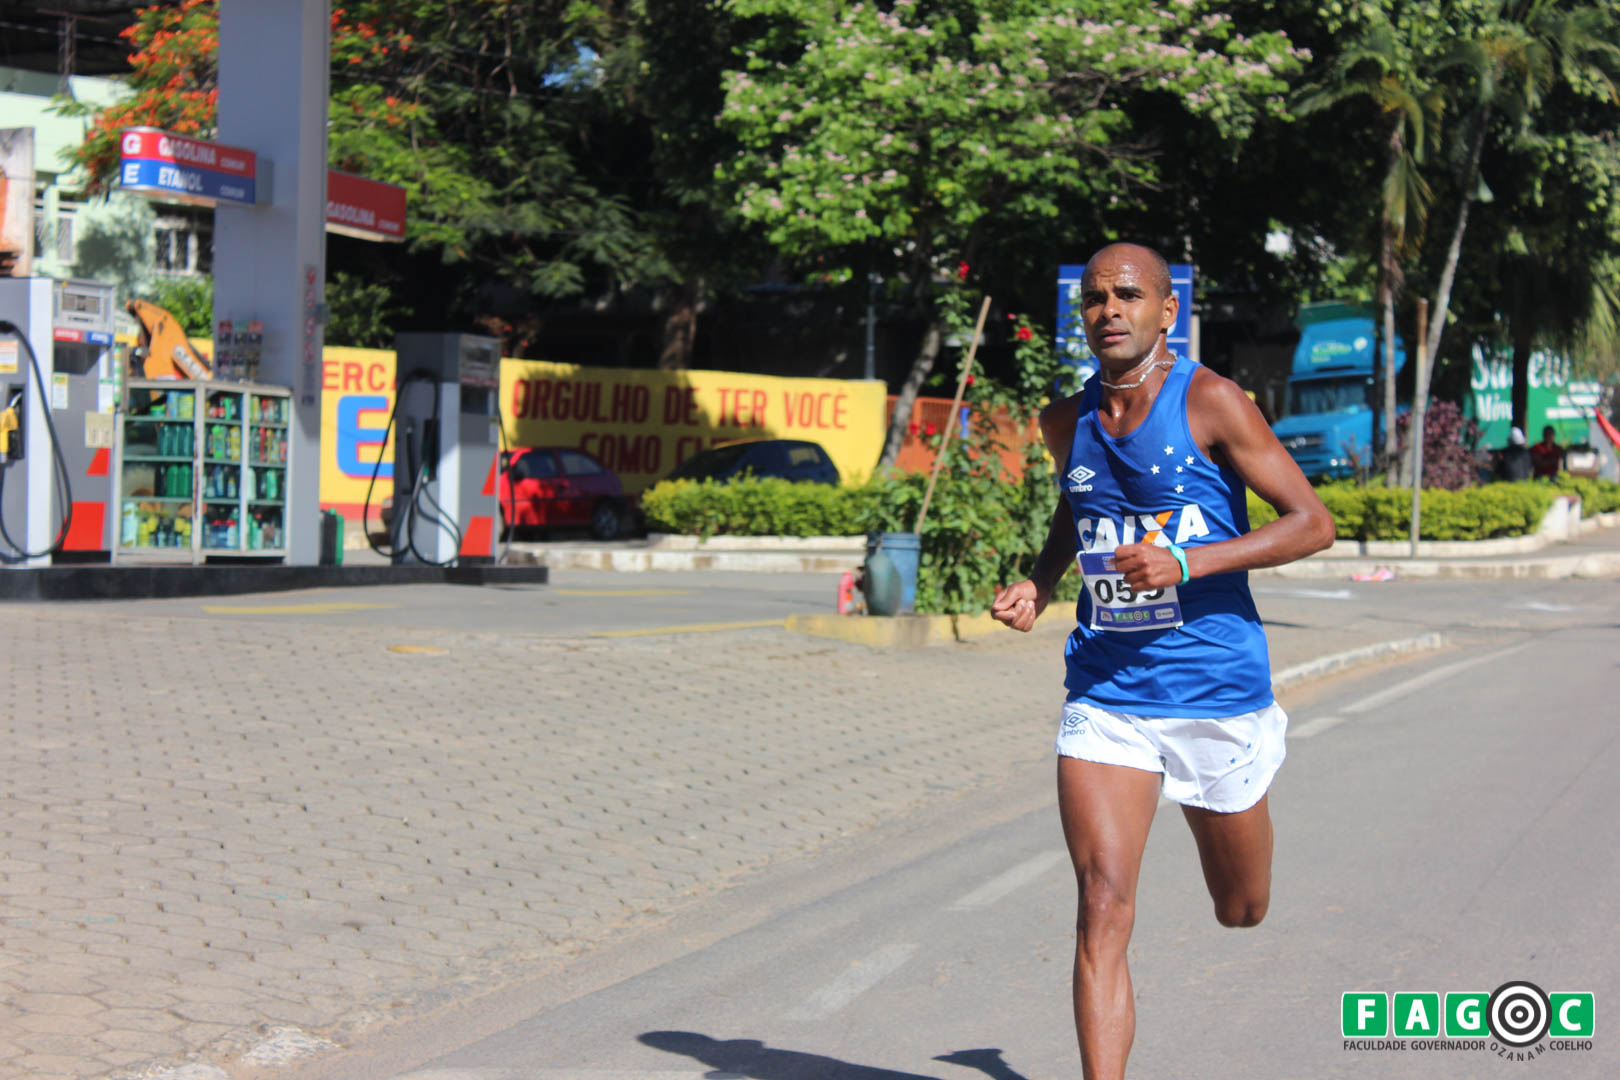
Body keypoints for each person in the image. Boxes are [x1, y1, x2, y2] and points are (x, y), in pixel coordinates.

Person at [990, 243, 1335, 1080]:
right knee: (1101, 901)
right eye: (1095, 298)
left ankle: (1240, 861)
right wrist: (1041, 580)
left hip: (1215, 688)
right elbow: (1079, 508)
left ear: (1166, 310)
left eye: (1129, 295)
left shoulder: (1212, 401)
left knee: (1240, 907)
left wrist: (1187, 561)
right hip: (1106, 688)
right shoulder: (1064, 421)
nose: (1109, 310)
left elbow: (1312, 523)